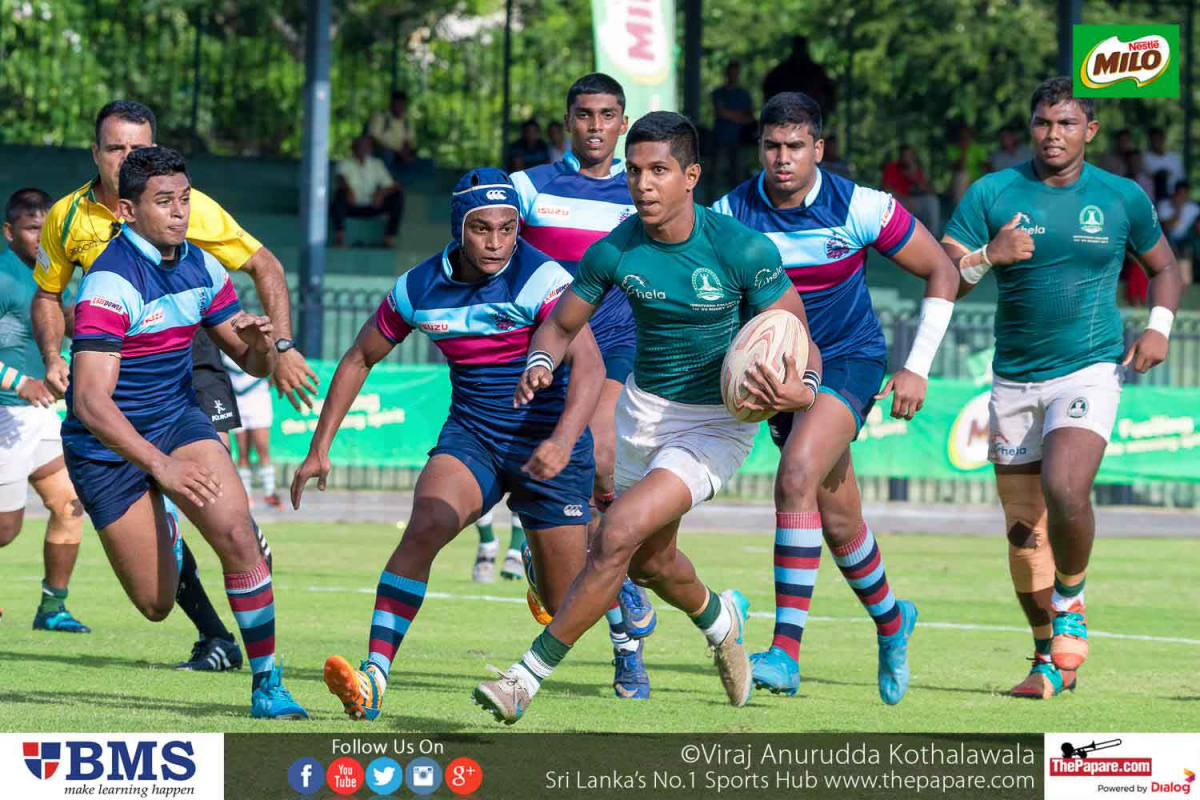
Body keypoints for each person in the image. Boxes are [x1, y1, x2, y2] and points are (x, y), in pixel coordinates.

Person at [472, 112, 821, 725]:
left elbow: (798, 333)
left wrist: (803, 388)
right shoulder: (615, 249)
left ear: (691, 176)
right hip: (642, 411)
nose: (643, 184)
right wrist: (541, 361)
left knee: (615, 533)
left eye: (659, 170)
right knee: (650, 561)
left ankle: (523, 679)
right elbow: (559, 325)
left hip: (715, 424)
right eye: (634, 171)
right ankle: (721, 620)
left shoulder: (740, 248)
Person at [290, 168, 603, 722]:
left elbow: (591, 364)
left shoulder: (541, 277)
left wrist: (563, 440)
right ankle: (374, 676)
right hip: (474, 437)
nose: (497, 242)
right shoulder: (417, 288)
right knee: (425, 527)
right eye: (482, 228)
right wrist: (320, 447)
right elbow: (360, 357)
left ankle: (537, 564)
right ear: (459, 228)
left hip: (548, 447)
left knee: (563, 602)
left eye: (508, 228)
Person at [32, 100, 318, 671]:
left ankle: (262, 668)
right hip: (107, 370)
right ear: (97, 155)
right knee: (154, 602)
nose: (126, 158)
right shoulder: (69, 221)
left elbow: (264, 266)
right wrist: (51, 356)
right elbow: (48, 295)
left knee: (230, 524)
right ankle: (172, 530)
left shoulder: (191, 213)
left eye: (138, 148)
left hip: (186, 355)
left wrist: (276, 345)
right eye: (116, 148)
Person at [713, 92, 958, 703]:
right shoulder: (730, 213)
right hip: (779, 374)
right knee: (838, 517)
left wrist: (917, 367)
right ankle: (892, 620)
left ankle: (784, 653)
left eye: (796, 146)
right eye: (772, 146)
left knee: (797, 473)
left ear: (818, 148)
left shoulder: (862, 207)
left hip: (849, 360)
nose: (783, 158)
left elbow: (943, 269)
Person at [942, 77, 1182, 700]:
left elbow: (1164, 268)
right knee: (1024, 532)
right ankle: (1048, 659)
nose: (1054, 135)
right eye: (1044, 123)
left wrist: (1158, 328)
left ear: (1089, 131)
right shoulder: (993, 192)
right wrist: (987, 255)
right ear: (1031, 127)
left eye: (1067, 123)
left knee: (1065, 486)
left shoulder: (1121, 196)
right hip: (1013, 378)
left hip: (1089, 369)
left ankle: (1071, 599)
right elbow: (944, 276)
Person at [510, 72, 658, 699]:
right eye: (584, 114)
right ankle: (601, 596)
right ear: (568, 120)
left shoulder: (644, 190)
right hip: (545, 351)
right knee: (555, 550)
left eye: (607, 115)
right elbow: (490, 253)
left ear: (623, 124)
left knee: (602, 463)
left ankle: (628, 653)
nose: (596, 126)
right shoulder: (528, 188)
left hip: (616, 345)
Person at [0, 189, 90, 633]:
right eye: (31, 228)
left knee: (70, 503)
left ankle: (53, 608)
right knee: (5, 530)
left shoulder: (50, 273)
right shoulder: (3, 276)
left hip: (39, 415)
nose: (40, 236)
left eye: (45, 227)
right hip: (5, 415)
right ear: (9, 231)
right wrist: (21, 382)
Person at [221, 352, 280, 508]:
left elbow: (273, 369)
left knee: (262, 448)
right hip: (237, 400)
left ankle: (270, 494)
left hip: (258, 398)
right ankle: (246, 496)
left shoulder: (258, 345)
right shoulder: (226, 349)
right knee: (242, 452)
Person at [331, 134, 404, 248]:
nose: (363, 148)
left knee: (397, 197)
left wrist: (381, 193)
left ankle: (389, 237)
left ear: (370, 149)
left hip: (373, 205)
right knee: (340, 195)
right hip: (351, 205)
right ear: (353, 148)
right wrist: (348, 190)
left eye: (366, 146)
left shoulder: (376, 164)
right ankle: (339, 237)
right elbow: (341, 179)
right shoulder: (345, 163)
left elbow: (394, 186)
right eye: (359, 145)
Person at [710, 60, 755, 195]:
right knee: (717, 174)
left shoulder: (744, 94)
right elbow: (720, 112)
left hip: (739, 139)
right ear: (726, 73)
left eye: (736, 72)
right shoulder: (719, 92)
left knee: (738, 174)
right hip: (720, 138)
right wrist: (739, 116)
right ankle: (712, 201)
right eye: (731, 72)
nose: (733, 75)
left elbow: (750, 117)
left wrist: (729, 114)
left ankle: (738, 202)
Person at [763, 36, 836, 112]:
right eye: (798, 47)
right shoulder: (781, 71)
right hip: (788, 112)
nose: (800, 50)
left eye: (801, 47)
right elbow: (768, 88)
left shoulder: (816, 71)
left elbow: (829, 92)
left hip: (810, 111)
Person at [881, 145, 941, 235]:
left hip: (913, 201)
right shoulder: (891, 167)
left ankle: (933, 236)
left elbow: (928, 190)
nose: (906, 158)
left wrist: (913, 176)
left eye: (909, 156)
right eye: (904, 156)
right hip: (897, 202)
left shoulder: (916, 170)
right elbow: (886, 189)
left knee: (932, 201)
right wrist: (904, 199)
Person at [368, 90, 417, 174]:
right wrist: (395, 151)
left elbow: (409, 140)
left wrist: (406, 153)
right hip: (382, 153)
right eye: (397, 103)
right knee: (387, 156)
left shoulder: (407, 121)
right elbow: (374, 139)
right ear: (391, 103)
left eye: (402, 104)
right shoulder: (381, 116)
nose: (400, 107)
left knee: (419, 161)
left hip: (400, 154)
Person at [948, 123, 991, 203]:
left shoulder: (978, 148)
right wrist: (963, 152)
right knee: (961, 176)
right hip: (961, 182)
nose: (964, 138)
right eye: (961, 136)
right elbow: (958, 168)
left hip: (977, 179)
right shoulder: (952, 149)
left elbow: (987, 166)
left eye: (967, 135)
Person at [1144, 127, 1184, 201]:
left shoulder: (1175, 157)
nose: (1156, 141)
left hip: (1173, 198)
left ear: (1163, 139)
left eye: (1159, 138)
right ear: (1150, 140)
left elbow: (1181, 179)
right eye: (1154, 138)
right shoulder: (1144, 158)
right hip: (1151, 198)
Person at [1158, 181, 1200, 250]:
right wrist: (1178, 210)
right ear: (1174, 192)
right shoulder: (1163, 205)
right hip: (1168, 240)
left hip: (1188, 241)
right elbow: (1166, 227)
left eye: (1184, 194)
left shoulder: (1194, 208)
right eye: (1179, 194)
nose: (1181, 197)